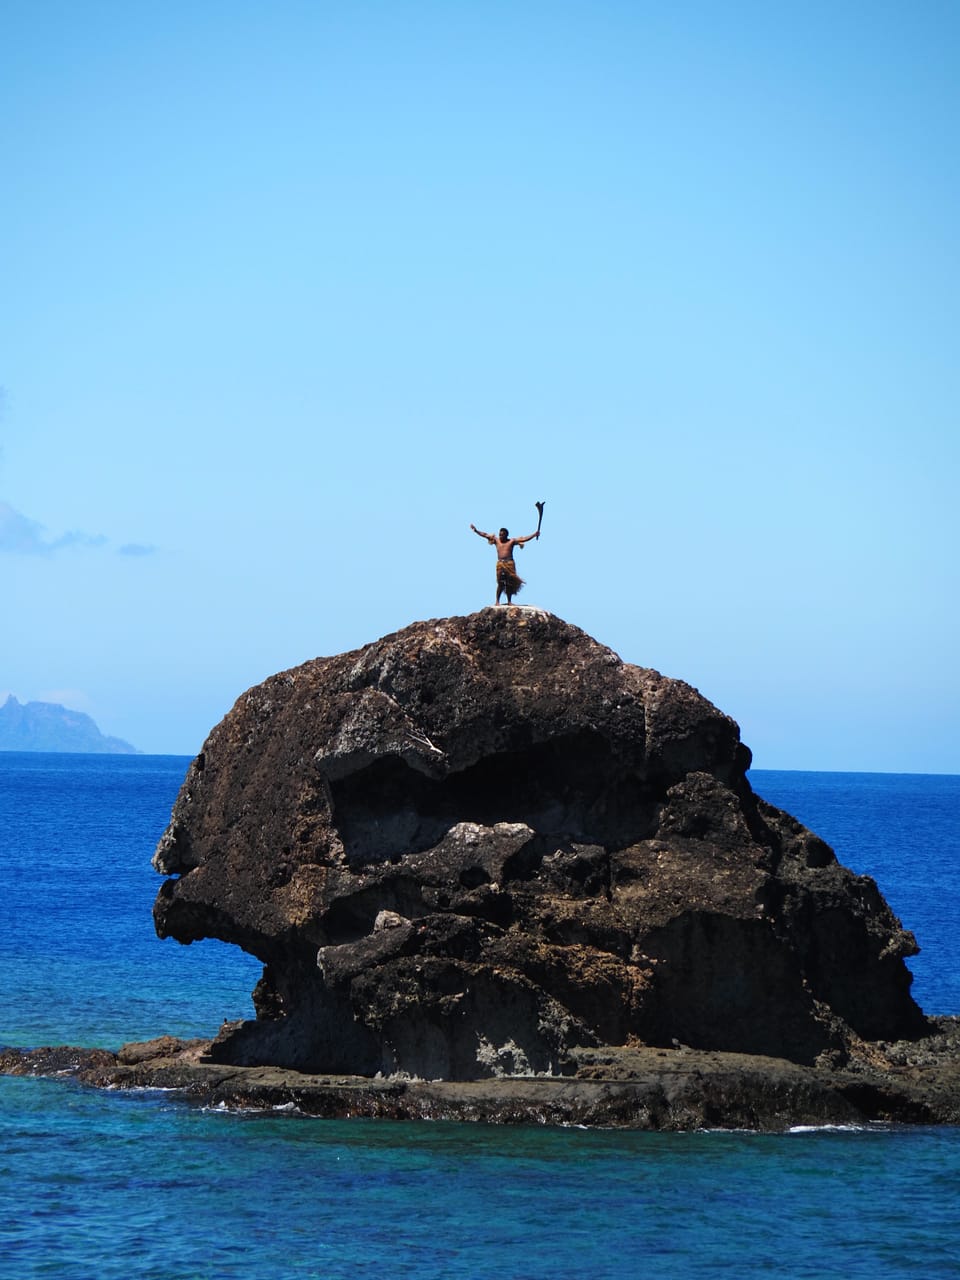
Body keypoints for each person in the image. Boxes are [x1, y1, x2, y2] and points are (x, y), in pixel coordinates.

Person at [470, 522, 540, 604]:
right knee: (500, 583)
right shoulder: (496, 540)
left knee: (509, 583)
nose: (500, 536)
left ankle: (509, 601)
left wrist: (534, 534)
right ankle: (497, 601)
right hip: (500, 564)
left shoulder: (511, 541)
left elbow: (524, 539)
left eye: (502, 535)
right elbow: (485, 535)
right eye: (500, 535)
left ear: (506, 535)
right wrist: (476, 530)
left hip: (509, 563)